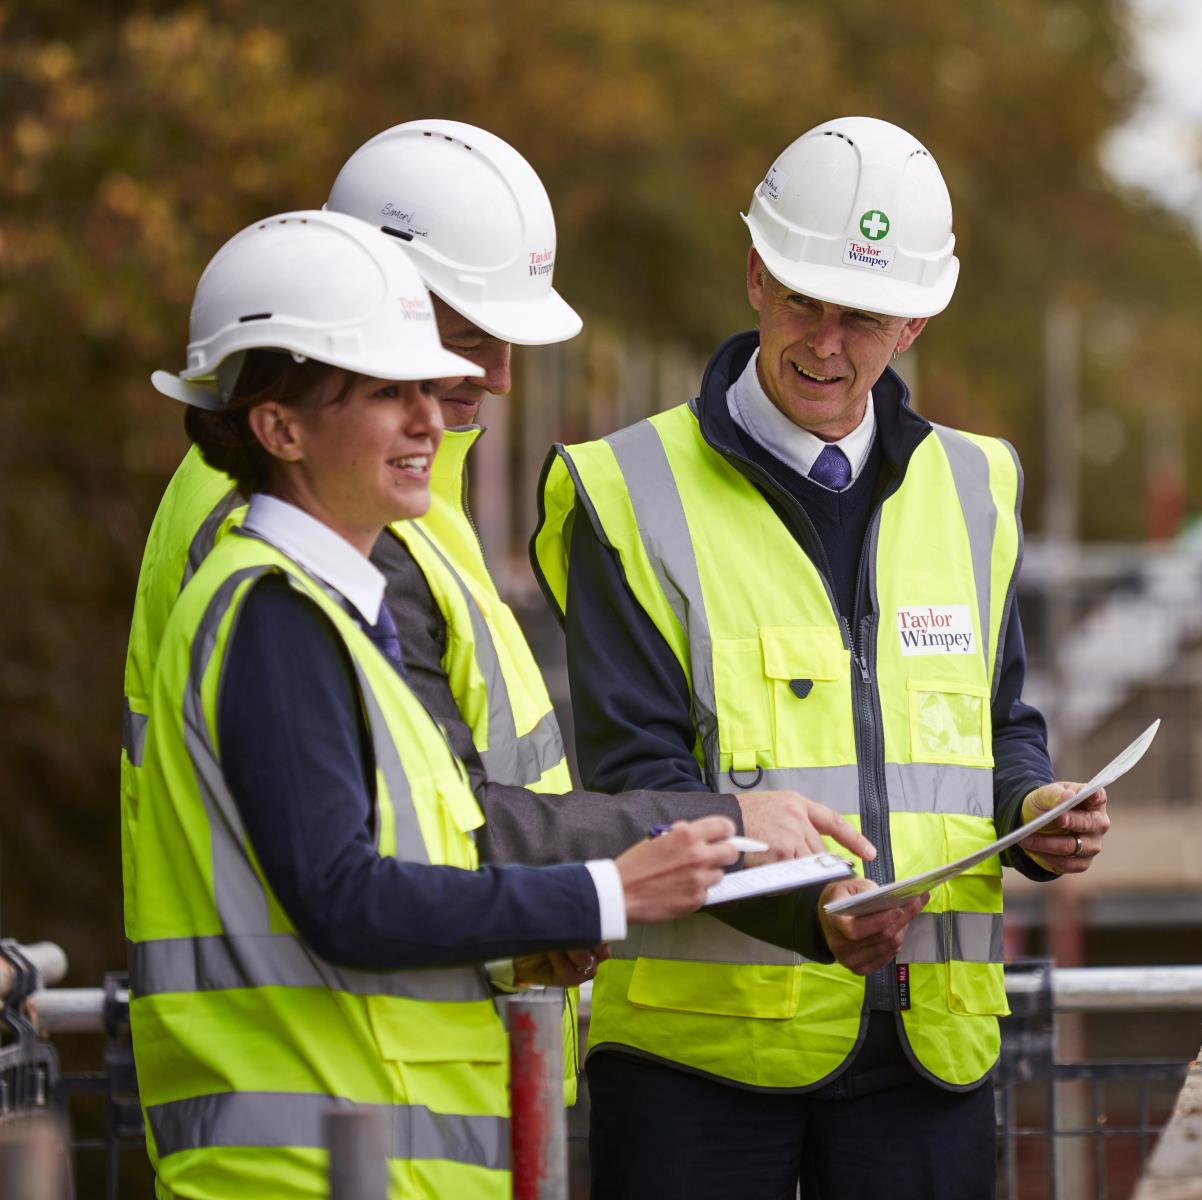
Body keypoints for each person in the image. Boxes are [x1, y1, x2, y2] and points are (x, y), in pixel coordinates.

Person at [118, 121, 868, 1002]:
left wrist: (522, 925)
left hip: (391, 1051)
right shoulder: (284, 529)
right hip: (317, 1075)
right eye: (468, 334)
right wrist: (680, 843)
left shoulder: (375, 495)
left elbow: (419, 813)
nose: (502, 376)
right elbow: (355, 877)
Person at [530, 116, 1112, 1199]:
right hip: (696, 1063)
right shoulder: (626, 493)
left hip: (928, 1058)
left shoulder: (976, 488)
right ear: (755, 271)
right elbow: (633, 782)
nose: (827, 344)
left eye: (864, 315)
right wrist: (803, 909)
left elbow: (998, 727)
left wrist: (1039, 812)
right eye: (804, 300)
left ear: (918, 319)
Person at [126, 210, 745, 1200]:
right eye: (385, 392)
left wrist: (518, 933)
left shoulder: (334, 609)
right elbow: (344, 899)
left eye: (427, 383)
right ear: (279, 427)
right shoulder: (273, 612)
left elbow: (398, 875)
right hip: (301, 1173)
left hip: (374, 1165)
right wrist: (607, 892)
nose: (431, 418)